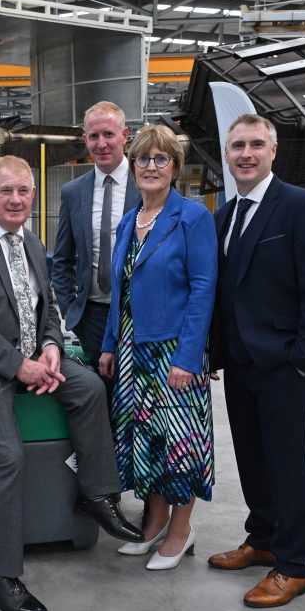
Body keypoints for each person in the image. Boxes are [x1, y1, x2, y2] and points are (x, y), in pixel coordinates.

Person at [0, 155, 143, 611]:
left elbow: (48, 308)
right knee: (8, 456)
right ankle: (0, 575)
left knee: (89, 389)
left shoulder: (31, 242)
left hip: (30, 356)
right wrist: (18, 366)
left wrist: (48, 346)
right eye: (7, 191)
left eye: (25, 191)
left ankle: (97, 493)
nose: (18, 199)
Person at [207, 114, 305, 608]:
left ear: (273, 152)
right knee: (251, 458)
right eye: (238, 145)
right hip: (241, 362)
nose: (246, 153)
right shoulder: (224, 215)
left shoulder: (301, 207)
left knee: (284, 463)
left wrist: (302, 359)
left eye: (256, 145)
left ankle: (294, 565)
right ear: (227, 153)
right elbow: (224, 291)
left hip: (284, 363)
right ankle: (262, 538)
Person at [98, 125, 218, 571]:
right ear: (132, 168)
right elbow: (121, 292)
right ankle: (154, 523)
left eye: (160, 159)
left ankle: (182, 532)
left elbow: (204, 288)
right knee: (146, 438)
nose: (151, 167)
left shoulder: (192, 217)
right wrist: (110, 345)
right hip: (132, 348)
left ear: (175, 167)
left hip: (174, 351)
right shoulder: (130, 220)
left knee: (179, 442)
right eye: (143, 159)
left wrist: (188, 357)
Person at [52, 101, 140, 370]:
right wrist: (69, 309)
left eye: (109, 134)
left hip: (137, 315)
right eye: (94, 136)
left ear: (124, 136)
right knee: (100, 395)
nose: (101, 143)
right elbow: (62, 259)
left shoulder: (147, 185)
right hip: (92, 317)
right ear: (85, 140)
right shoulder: (73, 192)